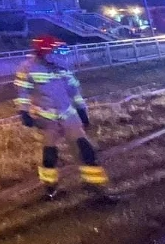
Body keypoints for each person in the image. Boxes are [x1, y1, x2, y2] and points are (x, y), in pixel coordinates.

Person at [13, 36, 110, 200]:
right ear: (43, 52)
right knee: (50, 156)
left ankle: (96, 186)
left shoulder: (61, 65)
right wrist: (23, 112)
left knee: (85, 149)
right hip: (46, 118)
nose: (55, 53)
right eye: (52, 50)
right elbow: (22, 92)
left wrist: (82, 110)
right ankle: (50, 189)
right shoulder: (27, 68)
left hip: (68, 114)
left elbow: (74, 90)